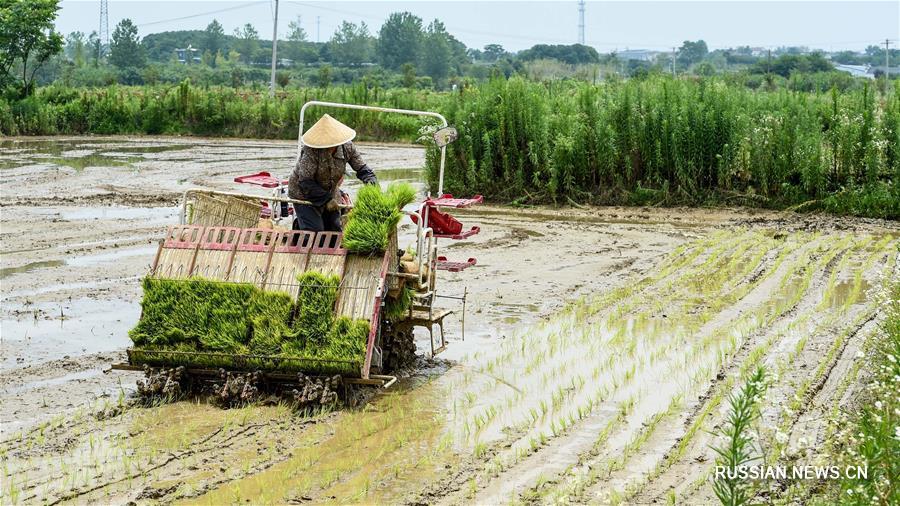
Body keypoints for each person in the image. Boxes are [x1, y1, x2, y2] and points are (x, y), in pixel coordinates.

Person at [288, 114, 377, 231]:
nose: (329, 146)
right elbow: (305, 182)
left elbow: (363, 169)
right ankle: (299, 227)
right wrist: (326, 200)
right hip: (304, 193)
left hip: (330, 192)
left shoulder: (347, 148)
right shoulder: (311, 150)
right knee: (315, 232)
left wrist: (372, 185)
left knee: (335, 229)